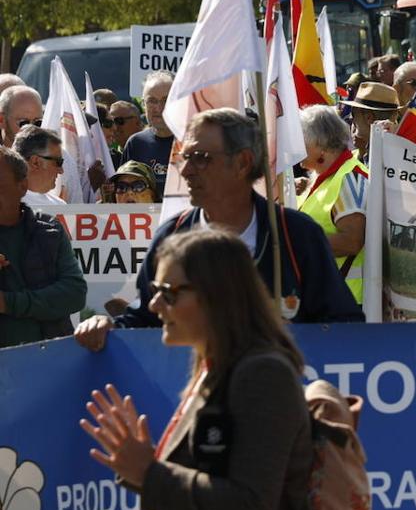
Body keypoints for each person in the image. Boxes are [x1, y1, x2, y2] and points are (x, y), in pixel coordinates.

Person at [79, 228, 311, 510]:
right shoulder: (215, 364)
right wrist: (139, 469)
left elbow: (250, 503)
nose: (155, 305)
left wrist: (149, 473)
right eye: (154, 291)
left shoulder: (263, 373)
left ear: (218, 295)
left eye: (169, 293)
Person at [74, 108, 362, 352]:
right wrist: (108, 326)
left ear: (243, 162)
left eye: (200, 157)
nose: (185, 170)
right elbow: (145, 318)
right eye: (183, 158)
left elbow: (344, 326)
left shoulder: (297, 235)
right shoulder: (172, 236)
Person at [0, 146, 87, 348]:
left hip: (45, 361)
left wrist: (8, 303)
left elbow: (74, 294)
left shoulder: (48, 232)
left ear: (22, 186)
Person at [298, 105, 368, 304]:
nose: (295, 146)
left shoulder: (349, 177)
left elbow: (352, 241)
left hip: (345, 304)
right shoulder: (326, 178)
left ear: (321, 143)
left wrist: (296, 244)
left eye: (300, 139)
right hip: (325, 298)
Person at [123, 72, 175, 196]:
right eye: (152, 101)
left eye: (165, 100)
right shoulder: (135, 144)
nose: (159, 108)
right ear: (143, 104)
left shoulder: (192, 141)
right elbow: (124, 194)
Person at [347, 81, 401, 166]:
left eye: (353, 113)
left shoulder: (384, 157)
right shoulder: (403, 152)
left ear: (369, 118)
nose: (351, 118)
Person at [12, 125, 65, 206]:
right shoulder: (5, 203)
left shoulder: (60, 206)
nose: (61, 171)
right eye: (58, 162)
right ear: (35, 162)